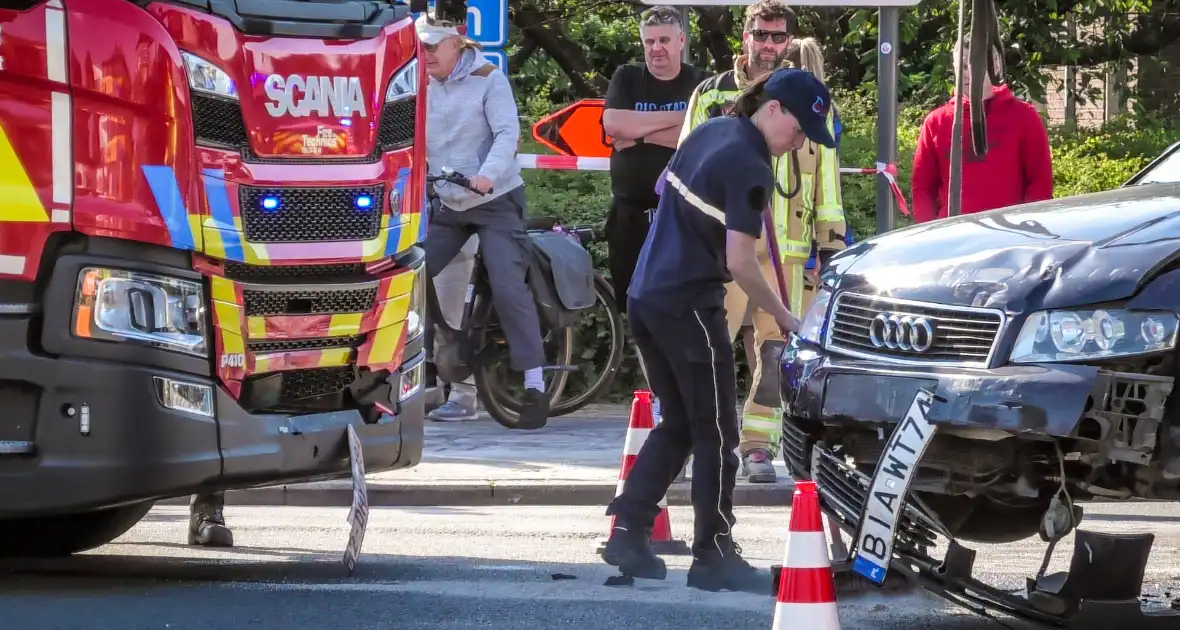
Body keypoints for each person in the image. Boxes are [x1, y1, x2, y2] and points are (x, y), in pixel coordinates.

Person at [602, 68, 836, 594]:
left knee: (681, 423)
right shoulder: (751, 165)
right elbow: (741, 262)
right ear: (773, 109)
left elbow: (665, 190)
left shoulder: (711, 129)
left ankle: (630, 531)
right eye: (799, 131)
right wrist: (787, 315)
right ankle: (714, 553)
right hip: (689, 302)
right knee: (718, 433)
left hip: (647, 294)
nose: (799, 143)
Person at [677, 2, 846, 485]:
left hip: (787, 254)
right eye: (761, 35)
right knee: (707, 348)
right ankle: (694, 439)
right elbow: (690, 165)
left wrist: (829, 246)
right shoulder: (712, 96)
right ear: (745, 37)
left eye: (778, 37)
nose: (769, 45)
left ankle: (757, 445)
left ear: (789, 41)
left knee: (776, 354)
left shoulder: (811, 100)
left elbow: (827, 181)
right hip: (723, 247)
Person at [416, 13, 550, 429]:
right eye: (420, 47)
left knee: (508, 285)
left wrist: (488, 175)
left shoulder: (488, 78)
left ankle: (534, 385)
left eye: (432, 47)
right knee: (411, 276)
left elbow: (508, 134)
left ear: (455, 45)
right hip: (449, 204)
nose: (425, 55)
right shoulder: (418, 80)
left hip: (494, 198)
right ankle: (429, 369)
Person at [602, 5, 708, 312]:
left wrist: (640, 135)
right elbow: (614, 125)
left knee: (680, 305)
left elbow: (702, 135)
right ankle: (641, 361)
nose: (656, 48)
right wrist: (681, 119)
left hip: (684, 217)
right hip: (629, 216)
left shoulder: (701, 83)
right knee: (632, 304)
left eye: (663, 40)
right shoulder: (627, 77)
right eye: (649, 42)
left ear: (681, 41)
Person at [910, 34, 1054, 223]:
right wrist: (931, 232)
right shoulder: (936, 122)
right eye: (962, 67)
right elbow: (922, 188)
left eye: (976, 64)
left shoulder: (1024, 116)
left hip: (1012, 234)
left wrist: (1026, 226)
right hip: (953, 236)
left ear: (995, 65)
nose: (969, 73)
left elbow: (1040, 181)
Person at [427, 235, 482, 422]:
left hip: (455, 243)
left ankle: (464, 397)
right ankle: (437, 391)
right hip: (420, 241)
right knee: (423, 323)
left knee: (451, 322)